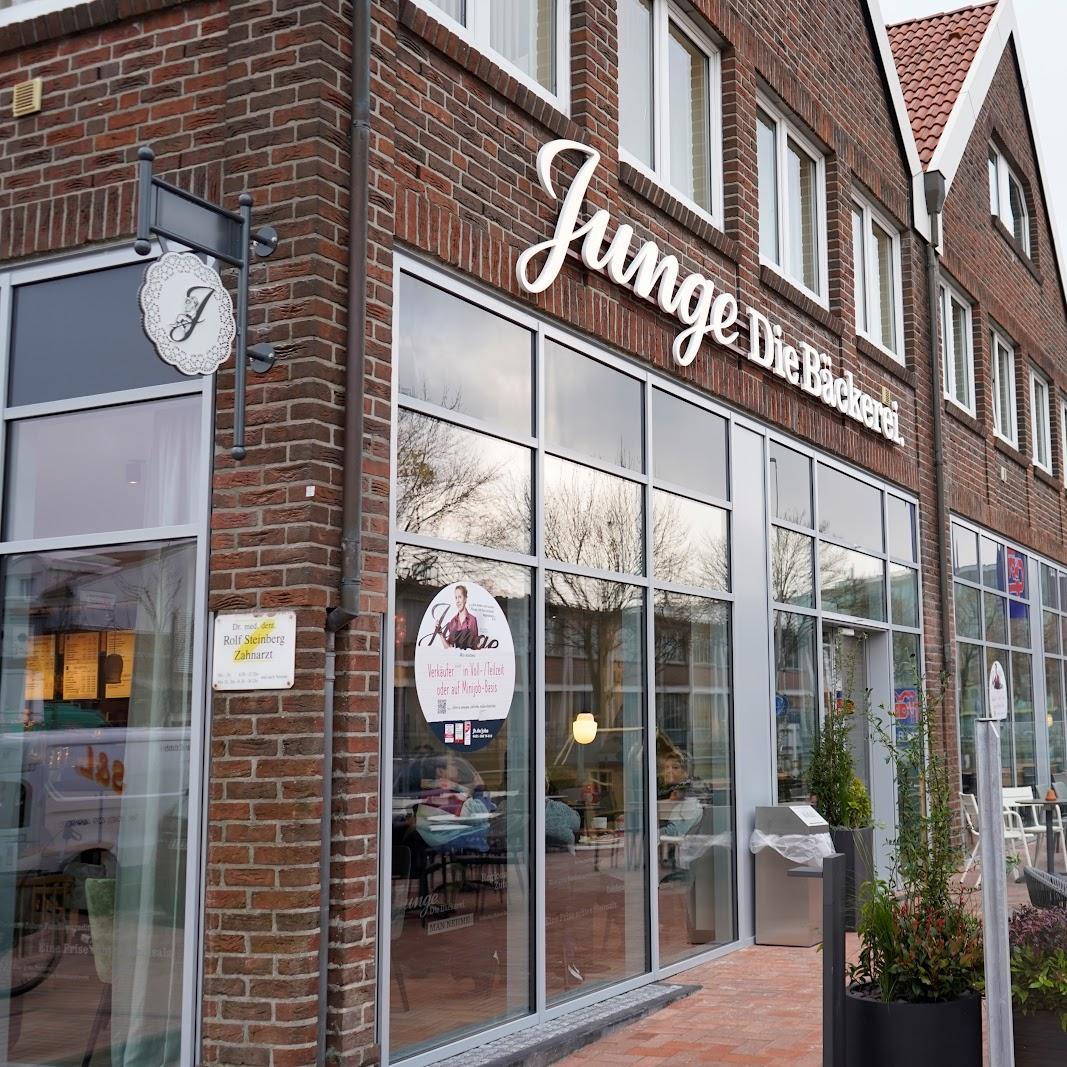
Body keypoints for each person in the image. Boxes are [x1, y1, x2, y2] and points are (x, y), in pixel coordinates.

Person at [442, 585, 479, 649]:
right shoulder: (453, 621)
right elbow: (449, 648)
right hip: (455, 655)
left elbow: (475, 646)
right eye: (456, 598)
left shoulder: (472, 620)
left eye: (460, 597)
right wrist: (440, 634)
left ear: (465, 599)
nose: (457, 601)